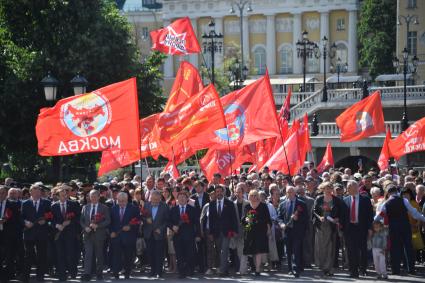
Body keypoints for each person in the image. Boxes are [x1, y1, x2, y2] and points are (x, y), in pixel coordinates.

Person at [375, 185, 425, 274]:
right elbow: (414, 213)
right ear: (396, 192)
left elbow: (380, 216)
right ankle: (411, 269)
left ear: (388, 193)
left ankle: (395, 269)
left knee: (395, 248)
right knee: (408, 247)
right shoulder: (404, 200)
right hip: (405, 226)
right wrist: (423, 218)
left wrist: (374, 221)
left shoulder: (386, 203)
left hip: (393, 228)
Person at [312, 182, 345, 276]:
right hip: (321, 225)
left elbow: (341, 212)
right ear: (323, 188)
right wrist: (319, 217)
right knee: (322, 247)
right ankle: (323, 266)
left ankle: (329, 268)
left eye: (330, 187)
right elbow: (314, 211)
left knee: (331, 247)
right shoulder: (319, 199)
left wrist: (337, 218)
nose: (328, 189)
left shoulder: (336, 200)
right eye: (327, 188)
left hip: (332, 225)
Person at [21, 184, 52, 282]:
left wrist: (46, 221)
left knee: (42, 255)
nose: (37, 194)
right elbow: (20, 217)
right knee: (28, 255)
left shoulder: (47, 203)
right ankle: (26, 277)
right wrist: (25, 222)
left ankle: (40, 276)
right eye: (34, 192)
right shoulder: (25, 203)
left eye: (38, 191)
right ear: (30, 192)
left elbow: (51, 216)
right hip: (29, 233)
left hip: (41, 233)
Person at [343, 180, 373, 278]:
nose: (347, 189)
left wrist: (369, 228)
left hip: (361, 228)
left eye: (349, 187)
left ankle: (363, 268)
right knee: (351, 250)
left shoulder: (365, 199)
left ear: (355, 187)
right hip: (349, 228)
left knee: (362, 249)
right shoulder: (345, 199)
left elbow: (369, 215)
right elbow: (343, 215)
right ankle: (353, 271)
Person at [208, 185, 238, 276]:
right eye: (217, 192)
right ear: (215, 193)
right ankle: (224, 268)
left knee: (224, 250)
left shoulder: (229, 203)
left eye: (221, 191)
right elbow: (211, 220)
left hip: (227, 232)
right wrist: (210, 233)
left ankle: (222, 270)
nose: (219, 193)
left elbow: (234, 218)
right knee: (219, 250)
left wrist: (234, 230)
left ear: (223, 192)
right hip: (216, 232)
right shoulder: (212, 204)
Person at [51, 187, 81, 281]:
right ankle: (62, 275)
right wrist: (56, 225)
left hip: (70, 234)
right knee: (60, 254)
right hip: (59, 234)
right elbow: (50, 220)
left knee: (70, 254)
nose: (64, 197)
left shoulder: (73, 204)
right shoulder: (53, 206)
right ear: (58, 196)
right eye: (62, 195)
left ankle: (72, 271)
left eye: (65, 195)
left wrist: (70, 222)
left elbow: (79, 217)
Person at [80, 190, 110, 281]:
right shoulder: (85, 207)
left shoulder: (104, 207)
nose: (92, 198)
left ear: (98, 197)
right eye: (91, 196)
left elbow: (108, 221)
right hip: (88, 234)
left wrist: (98, 225)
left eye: (94, 196)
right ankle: (87, 274)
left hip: (99, 235)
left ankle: (99, 273)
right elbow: (81, 220)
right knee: (88, 254)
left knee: (99, 255)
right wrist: (85, 227)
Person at [277, 186, 308, 278]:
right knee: (288, 251)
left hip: (297, 231)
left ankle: (296, 269)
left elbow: (306, 218)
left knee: (296, 250)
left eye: (291, 192)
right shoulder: (282, 204)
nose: (289, 194)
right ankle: (290, 269)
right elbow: (279, 217)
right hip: (287, 230)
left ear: (295, 193)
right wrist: (281, 224)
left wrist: (298, 218)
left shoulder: (301, 204)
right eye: (287, 192)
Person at [240, 189, 272, 276]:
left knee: (258, 250)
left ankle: (257, 269)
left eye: (255, 195)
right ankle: (243, 269)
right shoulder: (246, 206)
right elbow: (243, 219)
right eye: (252, 195)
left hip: (260, 231)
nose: (254, 197)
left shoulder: (263, 206)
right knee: (246, 250)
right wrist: (247, 219)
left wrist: (268, 229)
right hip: (249, 230)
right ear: (249, 196)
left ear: (258, 196)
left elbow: (268, 219)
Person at [169, 190, 200, 278]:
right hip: (177, 236)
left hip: (189, 236)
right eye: (180, 197)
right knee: (179, 255)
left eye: (184, 197)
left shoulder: (192, 209)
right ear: (177, 199)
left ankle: (190, 270)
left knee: (189, 254)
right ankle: (181, 272)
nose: (182, 199)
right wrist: (172, 226)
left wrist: (198, 235)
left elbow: (197, 223)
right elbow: (168, 221)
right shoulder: (173, 209)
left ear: (187, 199)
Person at [109, 192, 140, 279]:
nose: (121, 203)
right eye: (119, 201)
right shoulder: (113, 209)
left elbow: (138, 221)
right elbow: (110, 223)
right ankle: (116, 272)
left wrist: (130, 227)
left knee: (128, 255)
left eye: (123, 201)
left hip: (129, 237)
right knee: (116, 255)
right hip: (116, 236)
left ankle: (127, 272)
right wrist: (111, 232)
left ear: (127, 200)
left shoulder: (133, 208)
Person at [142, 190, 169, 278]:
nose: (155, 201)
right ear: (151, 198)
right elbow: (141, 217)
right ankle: (152, 271)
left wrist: (160, 229)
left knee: (159, 254)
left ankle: (159, 272)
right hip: (148, 233)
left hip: (159, 234)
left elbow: (167, 220)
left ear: (160, 199)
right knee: (150, 253)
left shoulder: (164, 206)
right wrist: (146, 220)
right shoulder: (146, 205)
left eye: (157, 200)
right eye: (153, 199)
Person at [0, 185, 21, 282]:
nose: (1, 194)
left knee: (8, 255)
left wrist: (6, 220)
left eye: (3, 192)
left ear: (6, 194)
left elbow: (16, 220)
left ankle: (7, 275)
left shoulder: (13, 205)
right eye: (0, 192)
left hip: (8, 234)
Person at [190, 181, 209, 273]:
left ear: (203, 187)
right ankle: (199, 266)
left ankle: (207, 265)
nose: (197, 188)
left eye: (199, 186)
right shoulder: (192, 198)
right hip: (196, 225)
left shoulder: (208, 196)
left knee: (207, 246)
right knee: (198, 247)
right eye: (195, 186)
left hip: (207, 225)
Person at [232, 183, 249, 273]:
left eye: (239, 192)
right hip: (237, 231)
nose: (238, 194)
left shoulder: (247, 203)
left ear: (243, 193)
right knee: (239, 251)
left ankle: (243, 269)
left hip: (246, 230)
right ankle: (243, 268)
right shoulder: (232, 204)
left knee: (244, 251)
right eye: (236, 192)